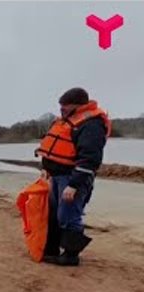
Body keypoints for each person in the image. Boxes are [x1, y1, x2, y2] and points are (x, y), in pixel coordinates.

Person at [36, 87, 111, 266]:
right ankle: (51, 250)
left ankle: (71, 255)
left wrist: (75, 184)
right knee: (53, 214)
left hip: (72, 179)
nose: (61, 111)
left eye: (65, 108)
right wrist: (46, 169)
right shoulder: (66, 121)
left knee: (68, 215)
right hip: (56, 176)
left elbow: (90, 159)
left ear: (78, 107)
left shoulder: (91, 125)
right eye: (61, 107)